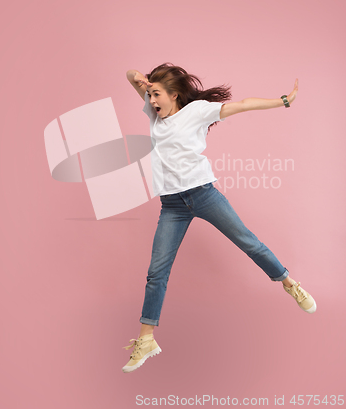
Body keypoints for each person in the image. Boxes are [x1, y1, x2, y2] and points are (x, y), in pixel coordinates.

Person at [122, 63, 316, 374]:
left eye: (157, 94)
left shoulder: (197, 110)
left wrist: (282, 100)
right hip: (172, 204)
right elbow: (131, 75)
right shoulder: (153, 112)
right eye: (149, 94)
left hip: (202, 194)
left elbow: (241, 105)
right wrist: (141, 80)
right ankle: (147, 340)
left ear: (174, 95)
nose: (151, 100)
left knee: (249, 243)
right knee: (156, 272)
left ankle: (289, 283)